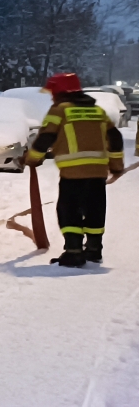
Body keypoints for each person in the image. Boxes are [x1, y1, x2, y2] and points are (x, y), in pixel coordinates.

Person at [24, 72, 124, 267]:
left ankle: (73, 252)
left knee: (68, 211)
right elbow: (115, 138)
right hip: (97, 173)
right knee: (95, 210)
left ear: (61, 92)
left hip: (72, 174)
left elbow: (46, 138)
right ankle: (94, 250)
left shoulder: (60, 110)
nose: (52, 96)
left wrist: (32, 159)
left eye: (53, 91)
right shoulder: (97, 111)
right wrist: (116, 165)